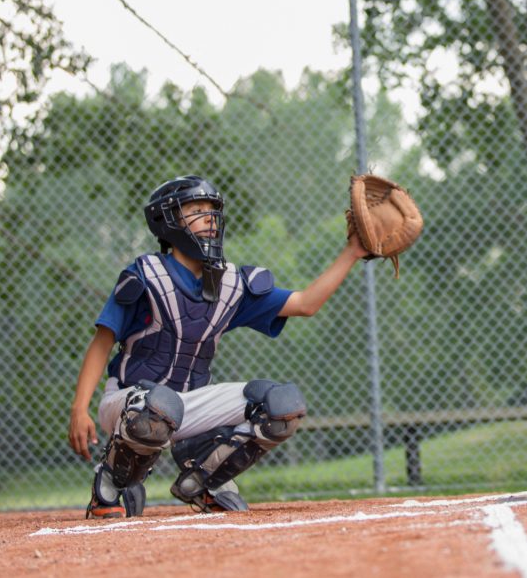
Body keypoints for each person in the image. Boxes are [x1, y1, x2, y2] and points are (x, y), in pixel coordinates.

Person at [68, 175, 370, 518]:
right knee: (158, 406)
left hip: (189, 404)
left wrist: (352, 252)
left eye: (212, 210)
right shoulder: (145, 274)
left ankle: (202, 480)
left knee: (281, 407)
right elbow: (102, 341)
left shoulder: (230, 284)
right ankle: (111, 482)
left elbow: (306, 303)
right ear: (168, 221)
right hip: (129, 402)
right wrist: (80, 409)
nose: (209, 218)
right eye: (196, 210)